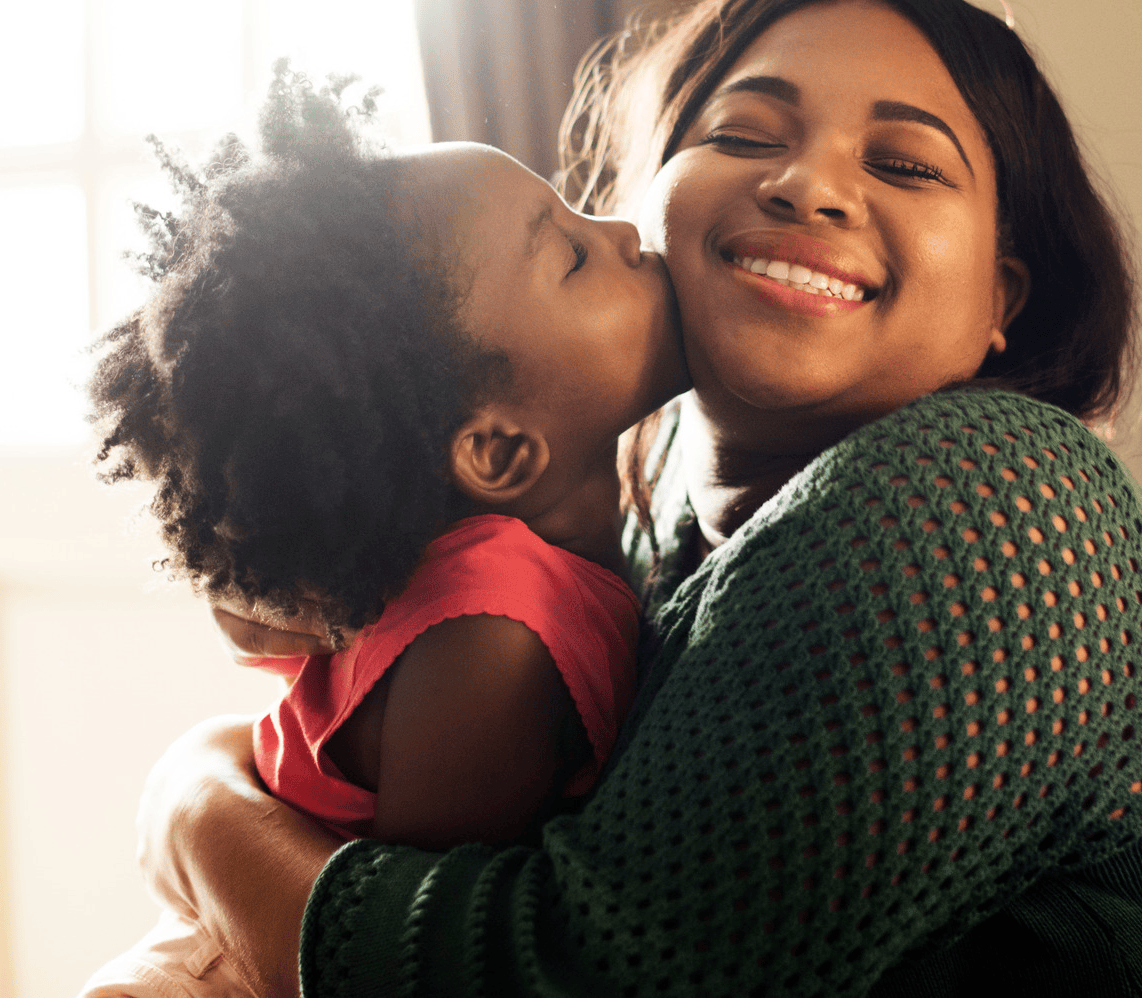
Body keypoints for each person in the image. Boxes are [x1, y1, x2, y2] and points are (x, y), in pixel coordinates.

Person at [135, 2, 1142, 996]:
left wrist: (196, 803)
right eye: (744, 133)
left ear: (1000, 296)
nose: (808, 183)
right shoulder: (644, 511)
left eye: (907, 165)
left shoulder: (985, 495)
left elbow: (565, 969)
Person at [78, 65, 687, 997]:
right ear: (496, 450)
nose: (623, 231)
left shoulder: (506, 572)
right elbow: (410, 950)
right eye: (570, 255)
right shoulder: (495, 637)